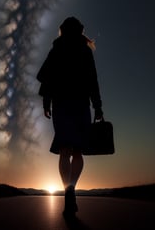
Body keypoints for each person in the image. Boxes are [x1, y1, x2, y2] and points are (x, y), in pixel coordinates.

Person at [36, 16, 104, 217]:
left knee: (65, 149)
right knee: (78, 151)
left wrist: (46, 102)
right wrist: (98, 107)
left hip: (61, 104)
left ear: (63, 30)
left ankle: (68, 189)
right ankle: (72, 188)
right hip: (81, 104)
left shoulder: (57, 49)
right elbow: (93, 81)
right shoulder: (84, 50)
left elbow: (47, 78)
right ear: (80, 30)